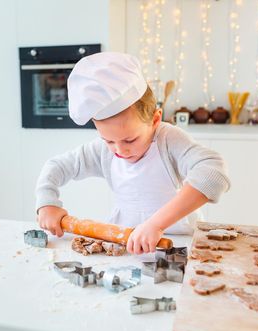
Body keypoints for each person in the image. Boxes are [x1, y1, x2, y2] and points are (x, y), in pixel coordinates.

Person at [35, 52, 230, 254]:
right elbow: (57, 166)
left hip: (178, 245)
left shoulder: (168, 141)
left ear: (155, 120)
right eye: (109, 140)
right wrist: (47, 202)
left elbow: (213, 173)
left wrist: (156, 225)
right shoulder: (103, 152)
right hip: (124, 246)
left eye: (130, 140)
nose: (119, 150)